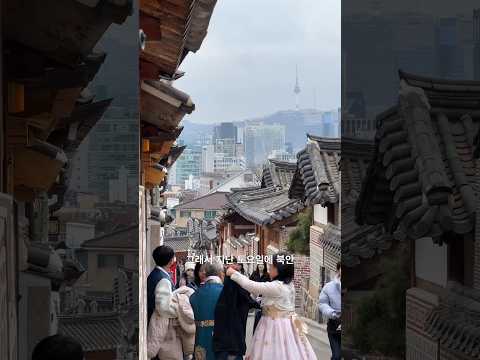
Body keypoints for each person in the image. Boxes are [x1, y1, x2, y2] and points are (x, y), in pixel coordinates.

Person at [226, 252, 317, 360]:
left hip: (275, 326)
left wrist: (233, 273)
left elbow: (252, 285)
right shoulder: (289, 285)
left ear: (280, 269)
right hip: (286, 325)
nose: (269, 269)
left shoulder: (277, 287)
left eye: (272, 266)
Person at [213, 258, 261, 360]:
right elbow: (251, 302)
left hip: (221, 344)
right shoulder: (241, 295)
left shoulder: (221, 298)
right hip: (235, 343)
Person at [189, 260, 224, 360]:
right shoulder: (225, 293)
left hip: (200, 338)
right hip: (221, 340)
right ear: (221, 272)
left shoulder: (194, 295)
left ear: (205, 273)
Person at [147, 246, 176, 325]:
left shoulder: (155, 274)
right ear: (170, 260)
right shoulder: (163, 279)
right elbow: (164, 308)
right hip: (159, 323)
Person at [319, 262, 341, 360]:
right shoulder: (329, 287)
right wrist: (332, 313)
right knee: (337, 356)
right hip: (335, 326)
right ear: (338, 270)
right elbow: (322, 303)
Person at [250, 263, 270, 333]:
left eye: (262, 264)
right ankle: (256, 331)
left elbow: (269, 287)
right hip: (254, 296)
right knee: (256, 314)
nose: (260, 266)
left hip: (263, 297)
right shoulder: (254, 274)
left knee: (261, 314)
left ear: (264, 266)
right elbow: (250, 283)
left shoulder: (267, 275)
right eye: (259, 264)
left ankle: (261, 330)